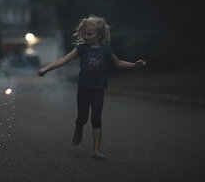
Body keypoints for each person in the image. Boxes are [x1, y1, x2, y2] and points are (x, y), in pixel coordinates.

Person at [37, 15, 146, 160]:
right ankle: (79, 126)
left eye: (89, 34)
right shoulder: (81, 48)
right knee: (83, 117)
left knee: (96, 117)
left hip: (98, 89)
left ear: (99, 35)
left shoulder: (106, 49)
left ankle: (96, 151)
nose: (86, 36)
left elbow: (118, 62)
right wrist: (46, 69)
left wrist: (134, 65)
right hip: (84, 88)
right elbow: (64, 59)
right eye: (84, 33)